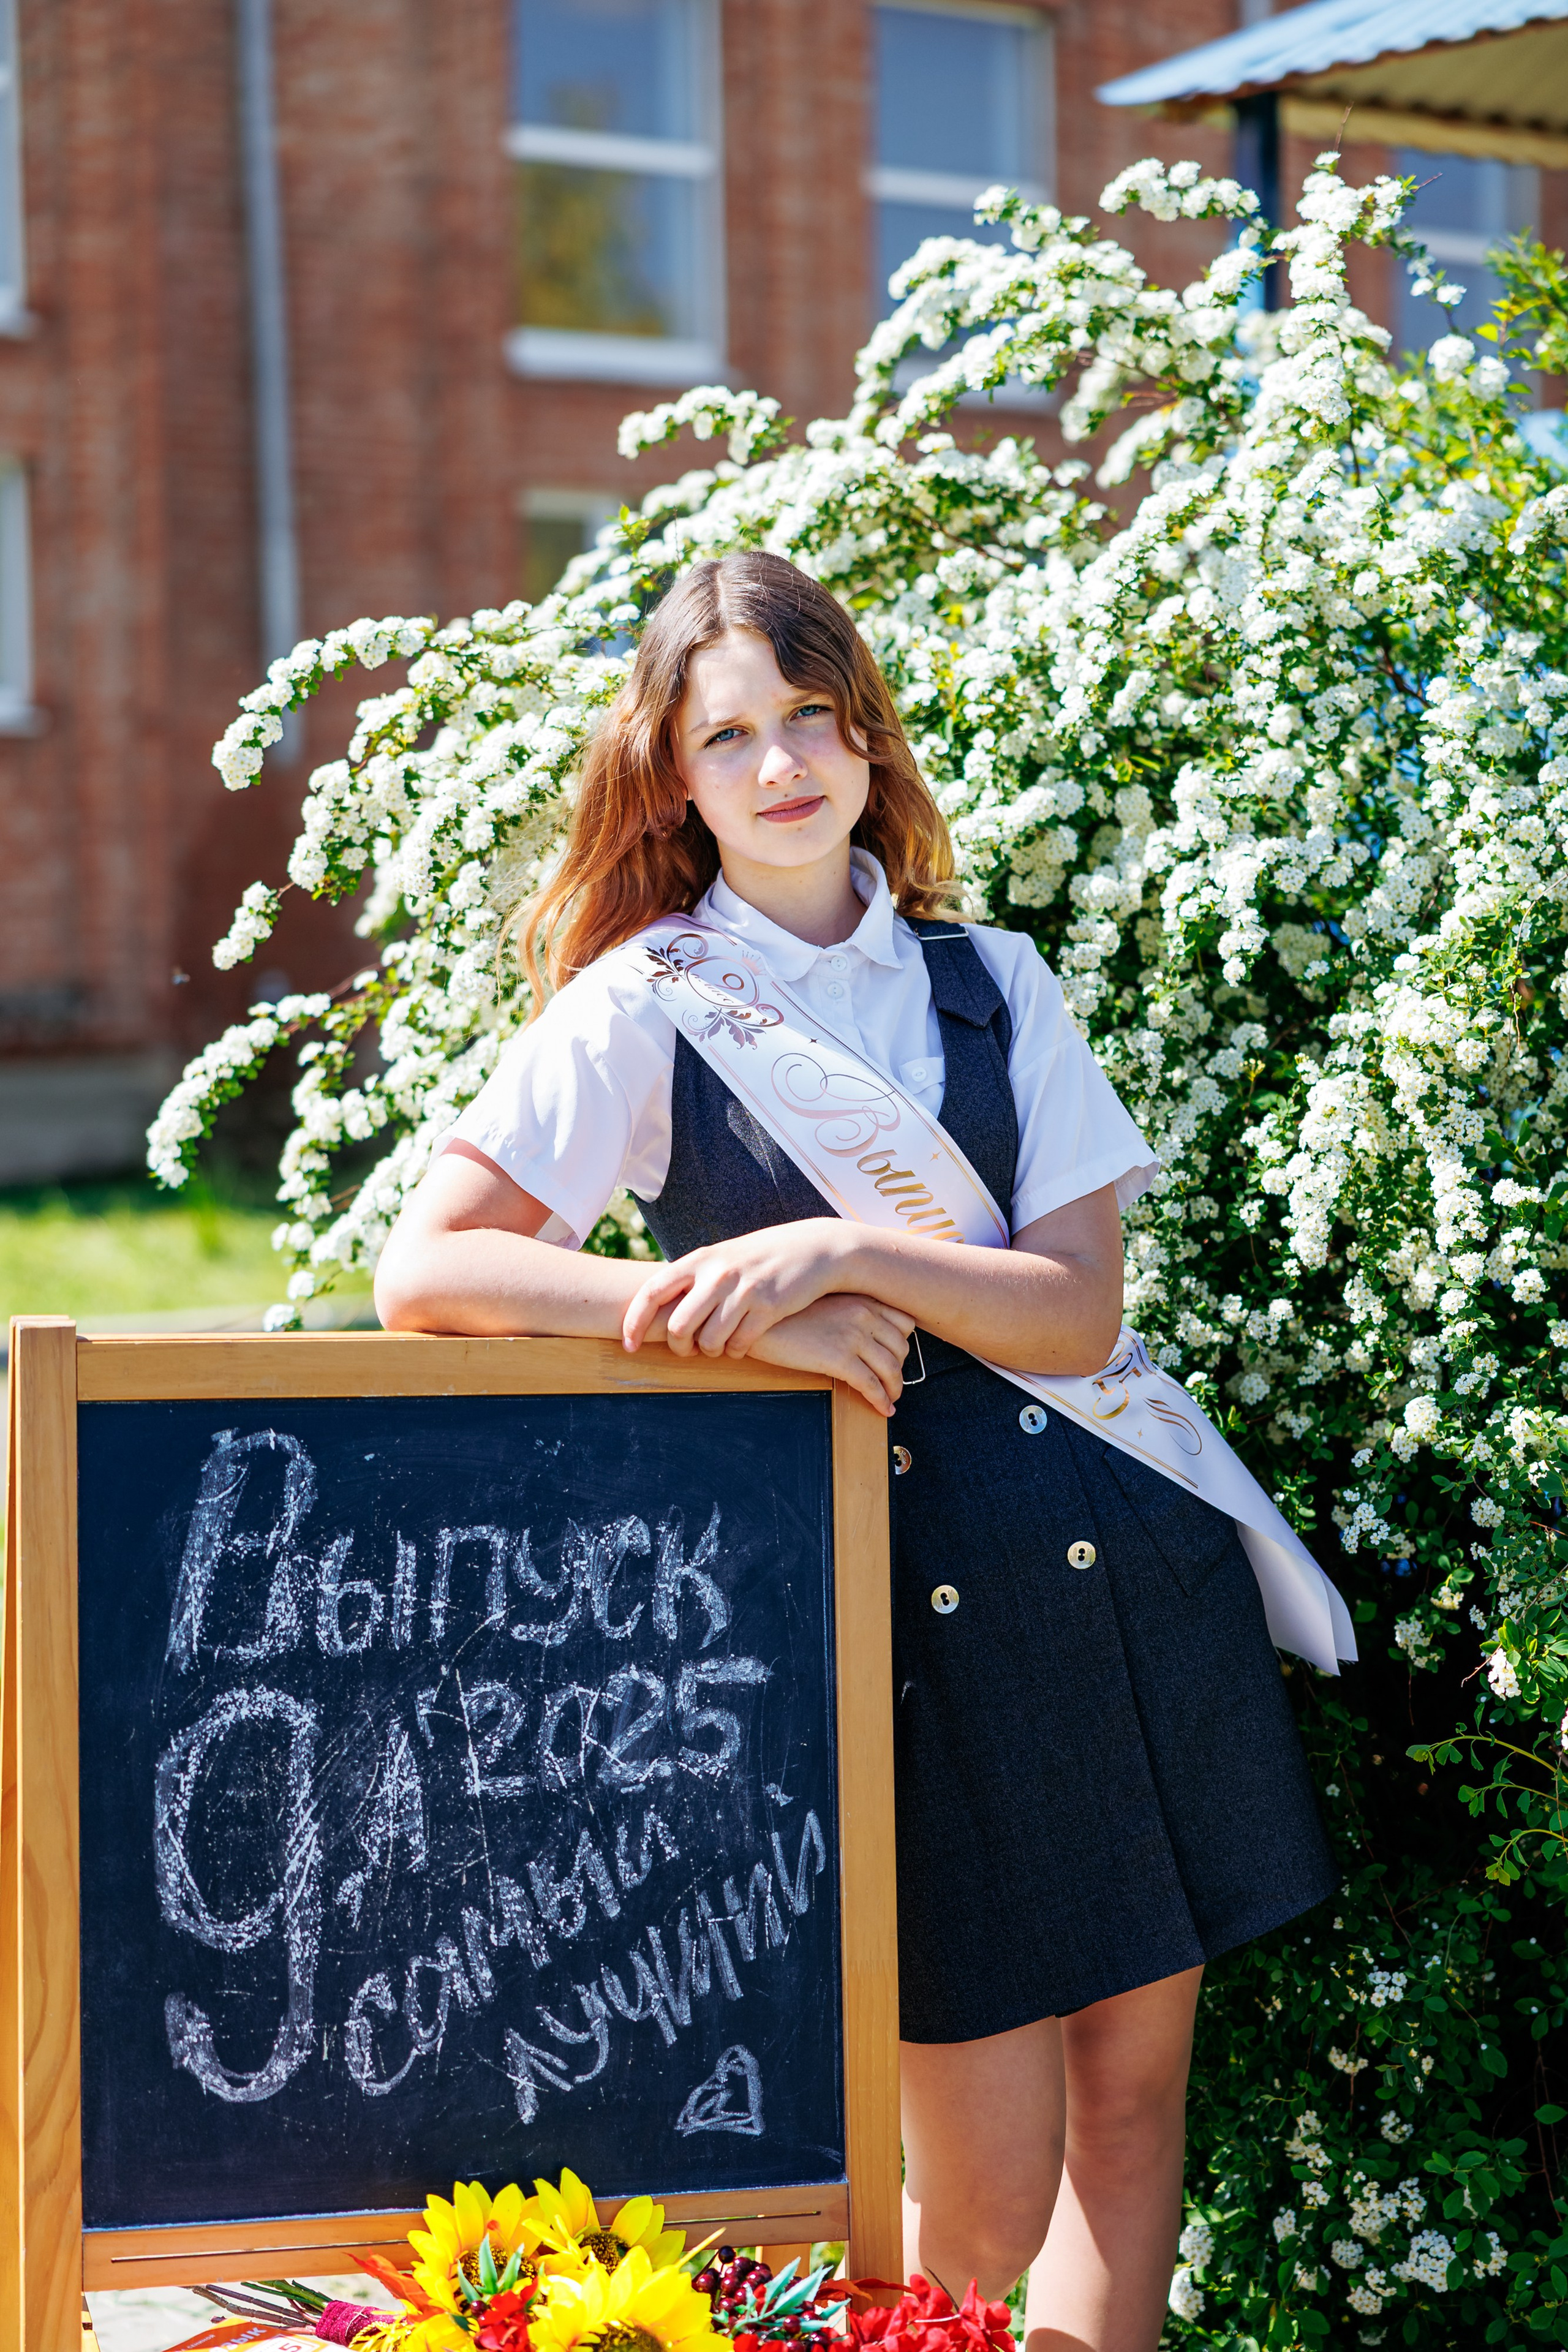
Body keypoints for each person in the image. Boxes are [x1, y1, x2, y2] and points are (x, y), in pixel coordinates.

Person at [375, 551, 1336, 2352]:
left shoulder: (992, 984)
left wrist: (846, 1254)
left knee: (1134, 2127)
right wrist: (737, 1319)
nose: (780, 765)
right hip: (884, 1635)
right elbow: (425, 1273)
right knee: (971, 2214)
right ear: (672, 772)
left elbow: (1071, 1318)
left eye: (809, 717)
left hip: (1122, 1573)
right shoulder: (645, 1004)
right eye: (728, 733)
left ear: (865, 734)